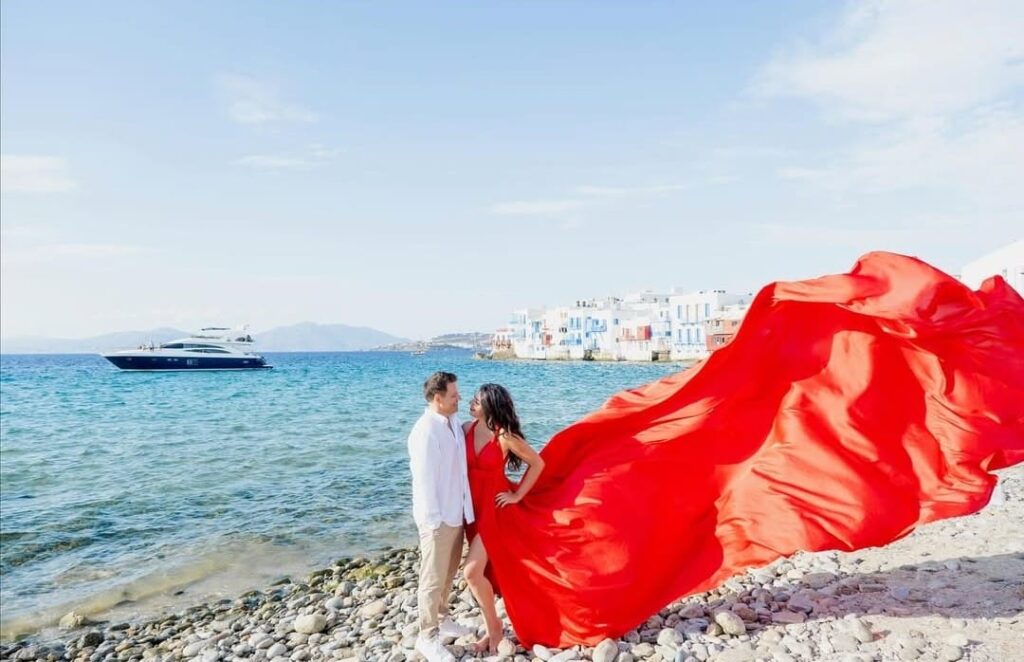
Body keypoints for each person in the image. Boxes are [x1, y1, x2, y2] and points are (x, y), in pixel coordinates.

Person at [462, 383, 545, 653]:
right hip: (472, 509)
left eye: (477, 400)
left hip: (494, 511)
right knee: (483, 573)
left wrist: (517, 495)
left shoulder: (504, 436)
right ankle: (491, 629)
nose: (471, 403)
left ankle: (495, 629)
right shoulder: (466, 428)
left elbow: (538, 463)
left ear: (489, 406)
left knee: (471, 573)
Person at [406, 371, 476, 662]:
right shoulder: (425, 431)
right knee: (432, 579)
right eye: (453, 395)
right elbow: (423, 482)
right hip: (436, 519)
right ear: (438, 398)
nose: (459, 397)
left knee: (448, 574)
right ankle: (427, 636)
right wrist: (434, 523)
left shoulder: (453, 423)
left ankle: (443, 618)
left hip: (455, 512)